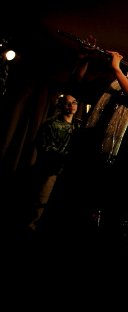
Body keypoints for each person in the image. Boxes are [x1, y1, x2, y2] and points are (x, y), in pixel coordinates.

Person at [64, 35, 128, 233]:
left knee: (110, 213)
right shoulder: (111, 80)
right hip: (87, 151)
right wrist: (83, 60)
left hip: (119, 160)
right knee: (74, 206)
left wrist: (117, 69)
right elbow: (77, 89)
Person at [28, 93, 82, 230]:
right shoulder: (50, 124)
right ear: (60, 105)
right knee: (39, 206)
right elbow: (46, 149)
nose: (71, 105)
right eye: (67, 103)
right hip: (50, 170)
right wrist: (69, 156)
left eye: (74, 102)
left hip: (69, 173)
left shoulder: (79, 125)